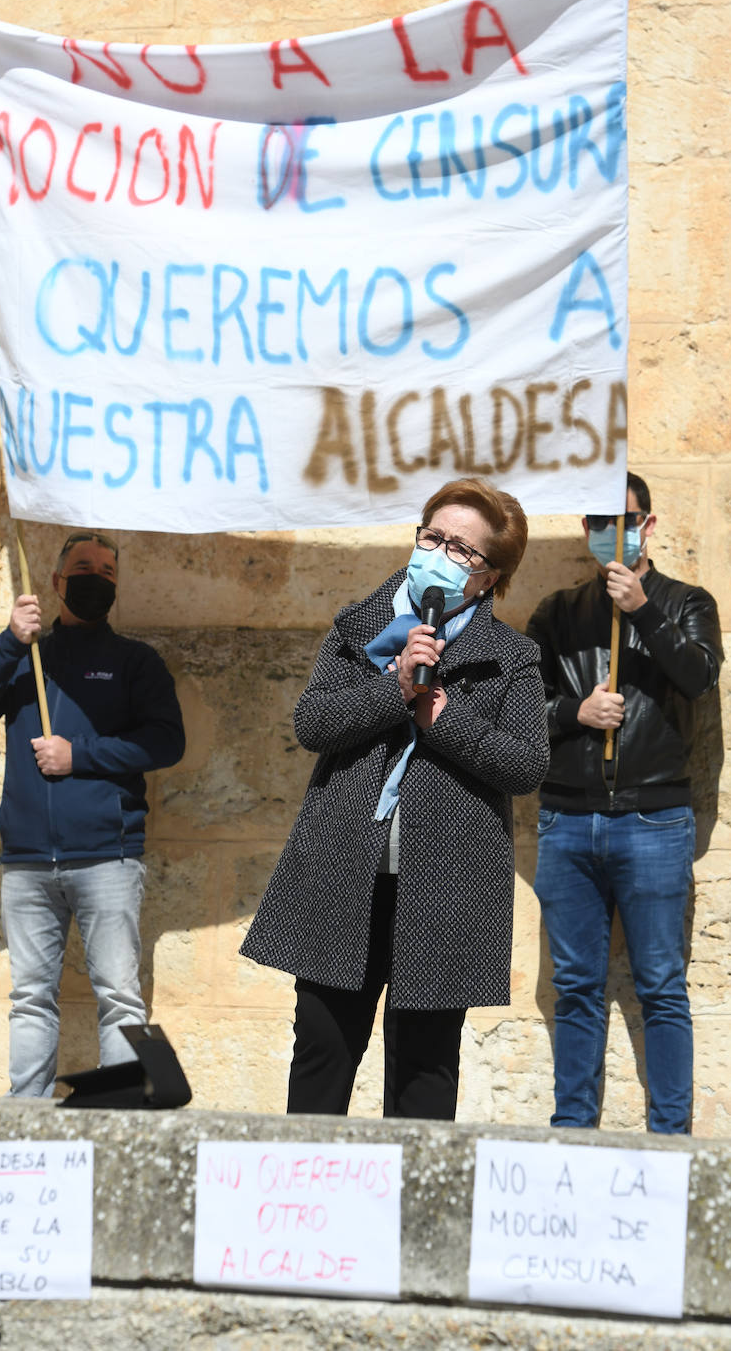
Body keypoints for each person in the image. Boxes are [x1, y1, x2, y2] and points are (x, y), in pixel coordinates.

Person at [241, 478, 549, 1121]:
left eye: (462, 549)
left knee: (425, 1067)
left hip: (446, 884)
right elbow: (313, 723)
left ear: (489, 578)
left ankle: (413, 1213)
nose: (439, 552)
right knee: (323, 1048)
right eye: (433, 536)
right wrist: (393, 691)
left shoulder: (513, 658)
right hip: (345, 870)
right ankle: (303, 1200)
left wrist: (445, 721)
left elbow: (526, 764)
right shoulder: (359, 627)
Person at [0, 530, 185, 1097]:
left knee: (119, 996)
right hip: (29, 861)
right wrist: (9, 641)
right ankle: (25, 1118)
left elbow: (166, 742)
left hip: (109, 858)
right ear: (55, 582)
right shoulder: (28, 654)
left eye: (107, 572)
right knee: (30, 998)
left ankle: (114, 1114)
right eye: (83, 567)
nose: (95, 579)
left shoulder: (135, 661)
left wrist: (79, 757)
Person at [526, 471, 723, 1134]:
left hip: (652, 819)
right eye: (602, 522)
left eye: (628, 520)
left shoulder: (688, 601)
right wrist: (574, 712)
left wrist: (642, 608)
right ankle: (572, 1128)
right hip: (567, 819)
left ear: (650, 524)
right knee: (576, 987)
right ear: (586, 530)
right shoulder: (557, 612)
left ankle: (671, 1137)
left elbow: (696, 674)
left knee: (661, 987)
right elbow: (519, 708)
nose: (616, 532)